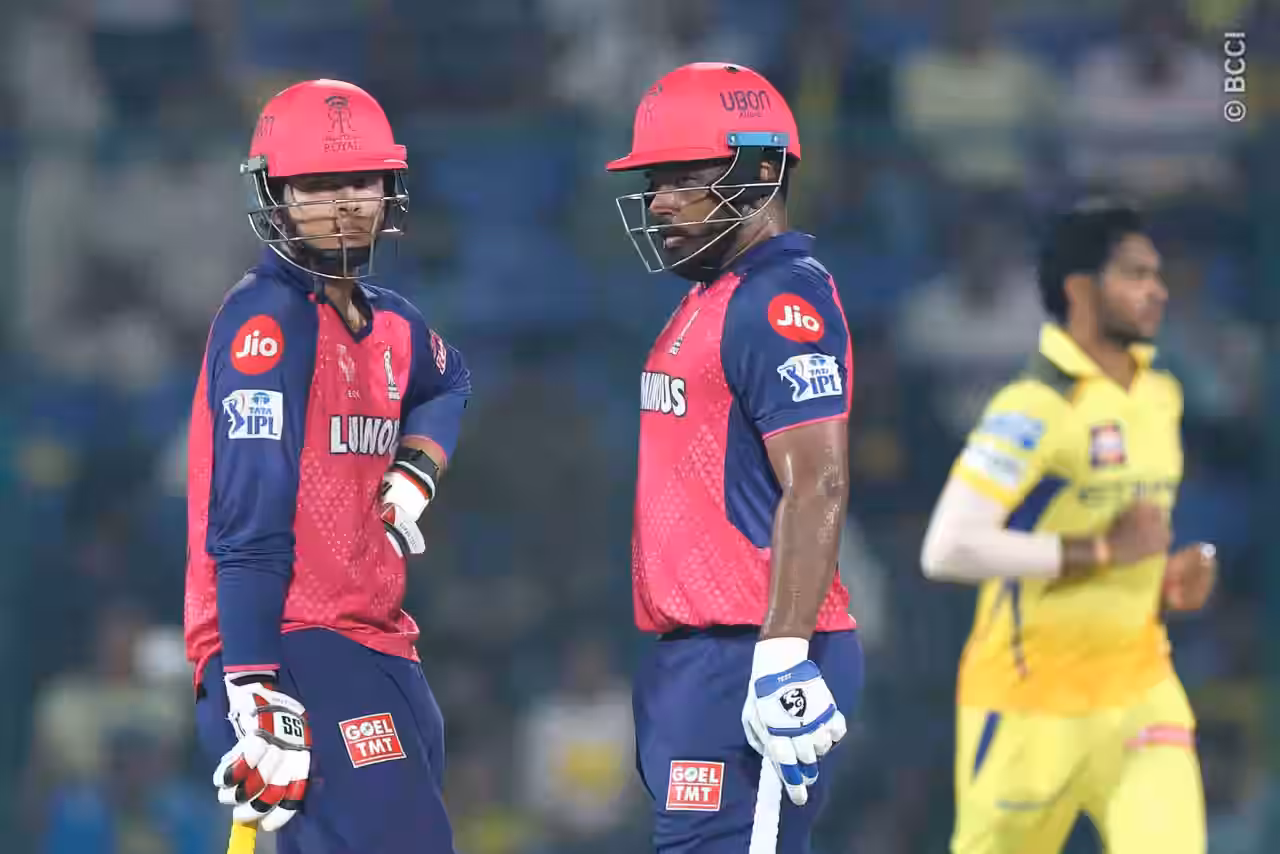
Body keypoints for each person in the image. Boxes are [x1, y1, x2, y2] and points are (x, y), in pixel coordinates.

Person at [184, 79, 471, 854]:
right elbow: (248, 523)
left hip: (381, 641)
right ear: (277, 195)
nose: (345, 201)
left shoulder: (393, 323)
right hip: (290, 640)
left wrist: (415, 470)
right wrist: (252, 685)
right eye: (317, 184)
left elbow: (448, 383)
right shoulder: (267, 325)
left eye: (361, 181)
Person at [605, 62, 864, 853]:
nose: (658, 202)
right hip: (699, 655)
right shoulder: (715, 294)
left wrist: (783, 658)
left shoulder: (779, 301)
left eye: (684, 177)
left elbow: (818, 480)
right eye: (654, 180)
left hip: (753, 651)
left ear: (759, 173)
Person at [920, 200, 1216, 854]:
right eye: (1136, 275)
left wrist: (1167, 579)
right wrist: (1104, 551)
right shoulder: (1034, 406)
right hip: (1029, 706)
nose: (1157, 291)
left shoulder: (1160, 396)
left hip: (1141, 693)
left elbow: (1133, 546)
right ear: (1082, 290)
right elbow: (947, 549)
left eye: (1157, 274)